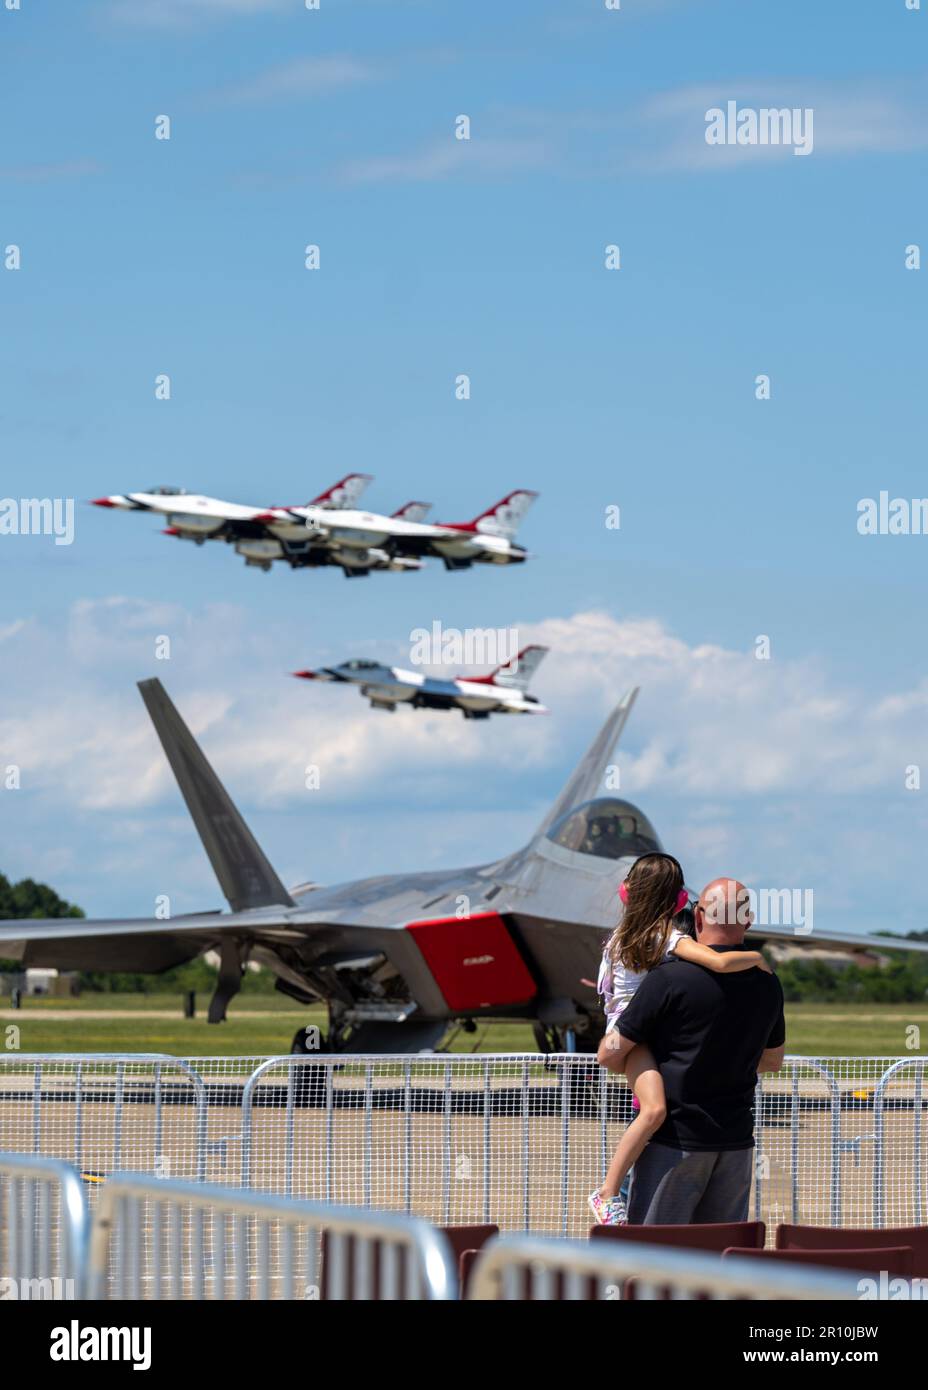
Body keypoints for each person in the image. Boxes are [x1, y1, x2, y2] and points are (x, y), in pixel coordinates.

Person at [589, 854, 772, 1225]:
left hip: (622, 1031)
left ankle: (615, 1190)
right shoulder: (668, 938)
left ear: (627, 893)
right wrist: (757, 959)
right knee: (654, 1110)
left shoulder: (619, 937)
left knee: (648, 1111)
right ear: (678, 903)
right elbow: (719, 963)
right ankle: (607, 1192)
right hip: (632, 1036)